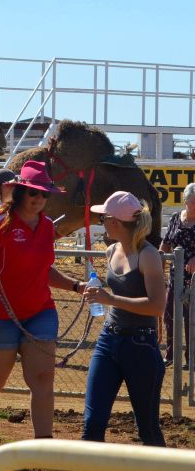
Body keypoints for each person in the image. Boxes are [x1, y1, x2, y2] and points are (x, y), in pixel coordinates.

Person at [0, 160, 83, 464]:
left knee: (43, 378)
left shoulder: (47, 227)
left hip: (39, 311)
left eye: (44, 194)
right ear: (20, 192)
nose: (38, 199)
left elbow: (44, 271)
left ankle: (44, 451)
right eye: (33, 193)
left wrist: (76, 286)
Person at [81, 191, 165, 446]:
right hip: (110, 339)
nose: (101, 222)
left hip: (140, 344)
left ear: (115, 222)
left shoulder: (148, 255)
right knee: (92, 424)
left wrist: (110, 300)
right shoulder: (111, 250)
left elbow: (157, 306)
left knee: (148, 429)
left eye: (103, 218)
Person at [159, 182, 195, 369]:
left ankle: (191, 358)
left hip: (194, 281)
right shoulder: (175, 218)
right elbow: (165, 243)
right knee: (169, 315)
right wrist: (159, 263)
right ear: (185, 201)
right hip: (175, 277)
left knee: (191, 319)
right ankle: (171, 354)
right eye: (192, 202)